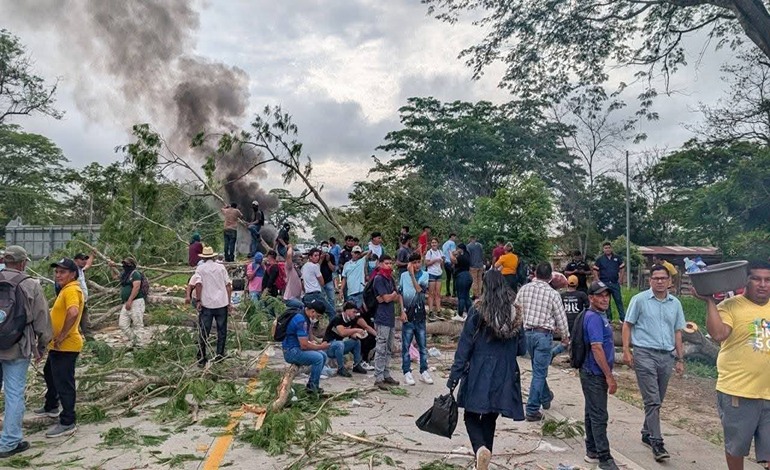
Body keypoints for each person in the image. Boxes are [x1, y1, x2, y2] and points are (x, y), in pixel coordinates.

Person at [448, 270, 526, 470]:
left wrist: (455, 374)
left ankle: (480, 449)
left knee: (471, 414)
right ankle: (484, 457)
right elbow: (522, 349)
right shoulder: (515, 313)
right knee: (491, 414)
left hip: (480, 369)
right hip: (506, 371)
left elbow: (465, 345)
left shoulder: (478, 311)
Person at [696, 260, 770, 470]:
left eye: (767, 280)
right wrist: (709, 301)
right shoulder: (731, 306)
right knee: (736, 448)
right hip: (739, 392)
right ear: (745, 280)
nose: (763, 284)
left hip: (769, 394)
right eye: (756, 278)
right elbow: (719, 334)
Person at [622, 265, 685, 462]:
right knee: (652, 400)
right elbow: (627, 325)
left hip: (666, 356)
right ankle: (657, 442)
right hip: (644, 354)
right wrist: (626, 349)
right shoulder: (639, 300)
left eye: (663, 278)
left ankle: (646, 431)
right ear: (650, 281)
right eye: (655, 278)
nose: (659, 281)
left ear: (669, 281)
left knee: (658, 398)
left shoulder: (675, 303)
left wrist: (680, 358)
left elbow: (677, 331)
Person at [0, 246, 51, 457]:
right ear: (23, 263)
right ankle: (9, 443)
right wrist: (42, 345)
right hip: (17, 347)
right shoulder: (30, 284)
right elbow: (42, 319)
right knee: (13, 394)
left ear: (5, 260)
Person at [515, 262, 569, 421]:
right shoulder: (553, 294)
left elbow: (516, 311)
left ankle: (545, 397)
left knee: (537, 367)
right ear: (551, 277)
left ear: (535, 274)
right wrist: (566, 336)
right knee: (539, 372)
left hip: (526, 334)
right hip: (543, 335)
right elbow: (561, 317)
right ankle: (532, 409)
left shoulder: (524, 289)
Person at [41, 258, 85, 438]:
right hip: (57, 346)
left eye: (63, 272)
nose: (58, 275)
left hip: (66, 345)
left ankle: (68, 421)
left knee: (64, 383)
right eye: (57, 272)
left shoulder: (72, 290)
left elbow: (73, 312)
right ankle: (51, 406)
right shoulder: (65, 289)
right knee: (49, 373)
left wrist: (62, 335)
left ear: (73, 274)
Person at [580, 281, 619, 470]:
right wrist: (609, 376)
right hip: (594, 373)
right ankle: (605, 458)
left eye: (607, 295)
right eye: (600, 295)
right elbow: (597, 348)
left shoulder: (599, 316)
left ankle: (592, 450)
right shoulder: (594, 318)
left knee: (591, 412)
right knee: (599, 415)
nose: (605, 299)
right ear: (591, 298)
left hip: (592, 373)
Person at [194, 247, 233, 367]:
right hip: (221, 303)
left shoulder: (200, 268)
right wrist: (229, 302)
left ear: (203, 258)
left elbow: (198, 284)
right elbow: (228, 285)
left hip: (207, 304)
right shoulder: (221, 268)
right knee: (222, 331)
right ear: (214, 256)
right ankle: (219, 355)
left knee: (204, 331)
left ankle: (202, 357)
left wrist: (198, 300)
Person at [282, 299, 330, 394]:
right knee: (319, 358)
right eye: (318, 316)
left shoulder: (304, 316)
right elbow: (304, 345)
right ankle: (312, 386)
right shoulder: (301, 320)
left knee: (323, 356)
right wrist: (321, 347)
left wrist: (315, 343)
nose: (317, 318)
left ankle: (312, 382)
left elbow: (308, 335)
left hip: (296, 347)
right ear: (313, 311)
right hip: (291, 351)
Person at [399, 253, 432, 386]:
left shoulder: (425, 275)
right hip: (408, 315)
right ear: (410, 264)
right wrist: (401, 311)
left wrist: (412, 275)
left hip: (420, 316)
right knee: (406, 346)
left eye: (419, 262)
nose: (417, 265)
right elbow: (400, 293)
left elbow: (419, 290)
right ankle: (407, 371)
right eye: (414, 262)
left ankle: (424, 370)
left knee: (423, 346)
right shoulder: (403, 276)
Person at [372, 255, 401, 390]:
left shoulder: (390, 279)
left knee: (389, 348)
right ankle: (378, 377)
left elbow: (393, 298)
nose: (389, 266)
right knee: (381, 348)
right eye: (386, 263)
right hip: (381, 317)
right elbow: (387, 298)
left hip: (390, 317)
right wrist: (391, 296)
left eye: (390, 263)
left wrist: (391, 296)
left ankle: (386, 373)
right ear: (380, 264)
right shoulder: (379, 279)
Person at [323, 302, 370, 377]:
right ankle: (341, 368)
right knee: (339, 344)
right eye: (353, 312)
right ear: (347, 310)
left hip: (339, 345)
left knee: (356, 342)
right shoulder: (337, 318)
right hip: (329, 346)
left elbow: (351, 334)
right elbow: (342, 332)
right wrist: (356, 330)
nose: (355, 314)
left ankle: (357, 365)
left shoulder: (350, 320)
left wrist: (360, 335)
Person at [551, 275, 589, 359]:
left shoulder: (562, 295)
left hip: (565, 322)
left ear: (567, 283)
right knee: (577, 341)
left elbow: (556, 310)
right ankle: (574, 357)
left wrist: (556, 324)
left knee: (566, 341)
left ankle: (554, 352)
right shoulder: (582, 295)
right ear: (577, 284)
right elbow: (588, 307)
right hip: (577, 322)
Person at [110, 257, 145, 344]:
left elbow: (136, 287)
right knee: (122, 324)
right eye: (124, 264)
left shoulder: (135, 274)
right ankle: (135, 340)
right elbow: (114, 277)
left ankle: (138, 344)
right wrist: (111, 267)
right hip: (126, 302)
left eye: (127, 264)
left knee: (137, 324)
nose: (125, 266)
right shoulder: (124, 274)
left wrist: (130, 300)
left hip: (136, 301)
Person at [593, 242, 625, 321]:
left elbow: (622, 268)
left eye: (609, 247)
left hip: (614, 283)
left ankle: (622, 318)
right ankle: (608, 318)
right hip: (604, 283)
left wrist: (620, 279)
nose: (607, 249)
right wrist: (598, 281)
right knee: (606, 301)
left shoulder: (617, 258)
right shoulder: (600, 259)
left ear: (611, 248)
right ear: (603, 249)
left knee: (618, 300)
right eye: (606, 248)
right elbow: (595, 270)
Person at [302, 248, 335, 320]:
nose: (317, 257)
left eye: (318, 255)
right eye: (315, 255)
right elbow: (322, 282)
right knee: (331, 312)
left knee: (310, 315)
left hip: (307, 294)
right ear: (310, 257)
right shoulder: (315, 267)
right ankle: (332, 329)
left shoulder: (304, 266)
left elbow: (302, 282)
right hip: (316, 294)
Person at [72, 252, 93, 338]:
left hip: (83, 302)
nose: (84, 261)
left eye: (85, 259)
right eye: (82, 259)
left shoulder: (81, 270)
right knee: (74, 323)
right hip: (76, 303)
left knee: (86, 323)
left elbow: (88, 265)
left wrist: (93, 254)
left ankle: (91, 342)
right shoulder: (73, 271)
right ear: (76, 261)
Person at [451, 244, 472, 321]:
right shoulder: (467, 255)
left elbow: (453, 260)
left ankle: (459, 314)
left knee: (461, 296)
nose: (456, 250)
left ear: (461, 249)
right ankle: (469, 314)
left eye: (458, 249)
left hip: (462, 277)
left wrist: (451, 253)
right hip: (468, 276)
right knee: (466, 297)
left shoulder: (461, 257)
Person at [424, 238, 443, 315]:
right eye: (432, 243)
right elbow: (427, 263)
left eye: (435, 242)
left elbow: (442, 263)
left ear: (438, 244)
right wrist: (435, 260)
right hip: (431, 273)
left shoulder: (440, 252)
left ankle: (438, 310)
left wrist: (441, 263)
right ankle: (431, 311)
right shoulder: (429, 252)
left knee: (438, 293)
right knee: (431, 293)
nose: (434, 244)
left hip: (439, 273)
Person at [319, 242, 337, 317]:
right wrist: (321, 259)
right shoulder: (318, 255)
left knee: (332, 299)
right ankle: (320, 315)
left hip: (329, 280)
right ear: (321, 247)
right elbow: (316, 268)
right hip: (320, 281)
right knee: (321, 299)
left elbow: (333, 269)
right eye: (324, 246)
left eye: (327, 246)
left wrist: (328, 260)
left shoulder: (331, 256)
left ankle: (332, 316)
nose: (325, 247)